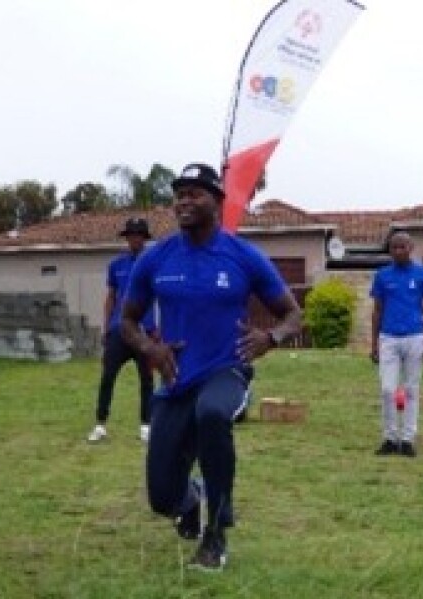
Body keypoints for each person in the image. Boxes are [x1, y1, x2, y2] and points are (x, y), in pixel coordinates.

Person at [120, 163, 302, 571]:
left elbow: (292, 314)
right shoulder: (156, 258)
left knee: (213, 414)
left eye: (195, 193)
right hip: (176, 379)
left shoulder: (243, 257)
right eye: (179, 193)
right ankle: (193, 499)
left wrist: (270, 338)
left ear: (218, 202)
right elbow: (127, 320)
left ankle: (216, 532)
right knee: (162, 499)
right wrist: (150, 348)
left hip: (227, 369)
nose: (184, 200)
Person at [87, 217, 156, 443]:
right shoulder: (116, 265)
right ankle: (100, 424)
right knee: (108, 376)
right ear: (126, 238)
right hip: (119, 329)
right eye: (131, 236)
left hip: (143, 330)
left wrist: (157, 329)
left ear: (144, 239)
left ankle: (146, 425)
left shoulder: (152, 264)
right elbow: (110, 298)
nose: (134, 240)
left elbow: (161, 297)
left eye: (138, 236)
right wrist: (106, 328)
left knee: (146, 379)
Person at [369, 231, 423, 458]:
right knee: (388, 389)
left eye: (403, 247)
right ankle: (390, 437)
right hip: (388, 338)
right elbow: (377, 310)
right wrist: (374, 343)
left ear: (411, 248)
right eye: (394, 247)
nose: (398, 251)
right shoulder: (382, 276)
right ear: (390, 250)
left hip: (415, 337)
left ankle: (407, 439)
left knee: (411, 389)